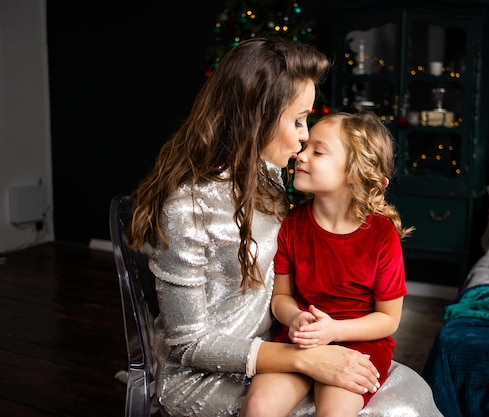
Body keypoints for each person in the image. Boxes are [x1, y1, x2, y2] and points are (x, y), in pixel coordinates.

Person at [127, 37, 443, 417]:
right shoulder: (188, 210)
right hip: (208, 371)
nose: (305, 135)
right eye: (297, 120)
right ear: (256, 118)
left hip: (282, 344)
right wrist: (304, 358)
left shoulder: (270, 179)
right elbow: (188, 345)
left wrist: (314, 343)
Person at [240, 111, 414, 417]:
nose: (300, 156)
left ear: (356, 173)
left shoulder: (382, 235)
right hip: (301, 338)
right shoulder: (292, 225)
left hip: (360, 343)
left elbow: (388, 320)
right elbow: (281, 297)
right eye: (305, 148)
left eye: (317, 152)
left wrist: (333, 331)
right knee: (258, 406)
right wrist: (295, 318)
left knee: (335, 412)